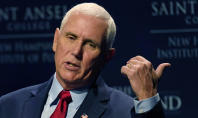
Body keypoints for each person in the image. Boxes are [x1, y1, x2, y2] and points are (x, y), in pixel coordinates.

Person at [0, 2, 170, 118]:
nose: (76, 52)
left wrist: (148, 98)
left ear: (106, 57)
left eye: (90, 44)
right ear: (56, 40)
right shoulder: (9, 106)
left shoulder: (125, 112)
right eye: (71, 37)